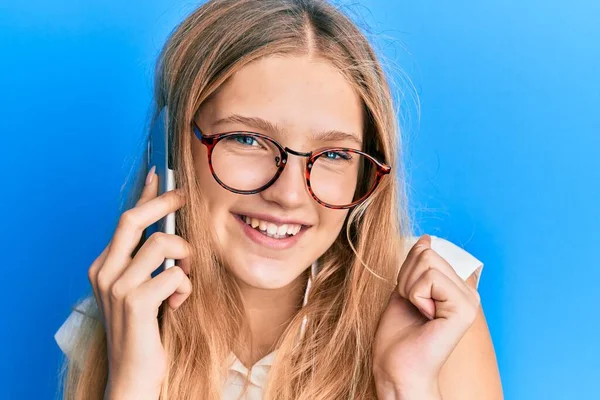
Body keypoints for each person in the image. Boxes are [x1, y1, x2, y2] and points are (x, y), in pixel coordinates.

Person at [54, 0, 503, 399]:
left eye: (332, 154)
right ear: (171, 149)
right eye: (248, 139)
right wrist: (131, 388)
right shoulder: (121, 314)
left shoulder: (434, 308)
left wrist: (406, 387)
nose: (288, 194)